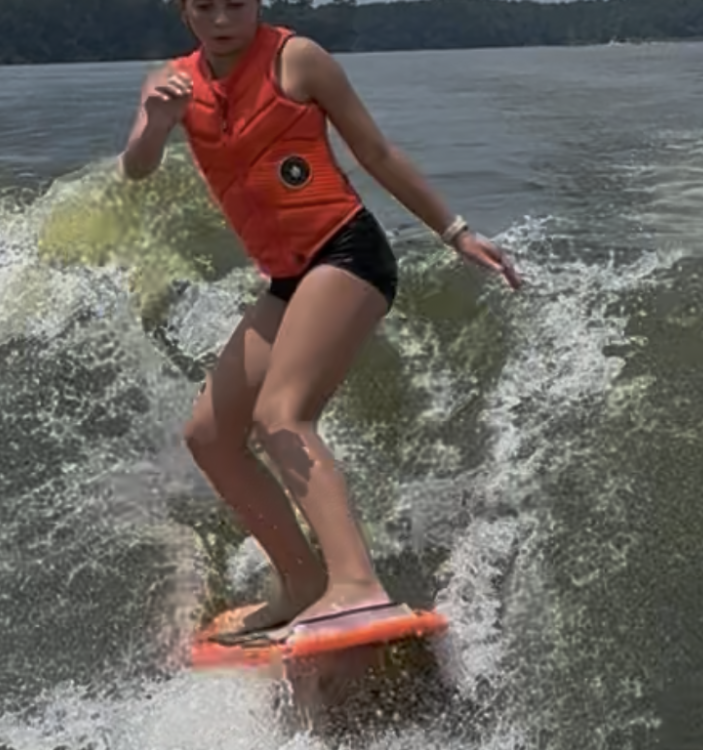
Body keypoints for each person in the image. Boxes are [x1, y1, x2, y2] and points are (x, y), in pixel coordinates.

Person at [119, 0, 521, 645]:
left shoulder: (297, 59)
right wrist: (157, 124)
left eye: (237, 4)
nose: (224, 19)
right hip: (286, 276)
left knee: (281, 414)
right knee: (209, 436)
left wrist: (457, 233)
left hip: (347, 253)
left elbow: (377, 151)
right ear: (183, 11)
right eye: (206, 6)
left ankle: (358, 588)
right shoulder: (171, 82)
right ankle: (302, 583)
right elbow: (135, 168)